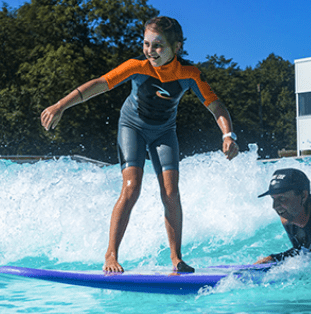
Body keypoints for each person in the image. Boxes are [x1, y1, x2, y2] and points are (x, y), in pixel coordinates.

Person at [41, 16, 239, 273]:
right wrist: (60, 105)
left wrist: (228, 135)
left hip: (164, 132)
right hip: (132, 128)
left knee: (171, 192)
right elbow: (100, 84)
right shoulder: (137, 66)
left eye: (158, 45)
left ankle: (176, 258)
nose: (150, 51)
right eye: (146, 44)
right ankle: (111, 255)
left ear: (176, 47)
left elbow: (216, 105)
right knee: (131, 187)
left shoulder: (189, 74)